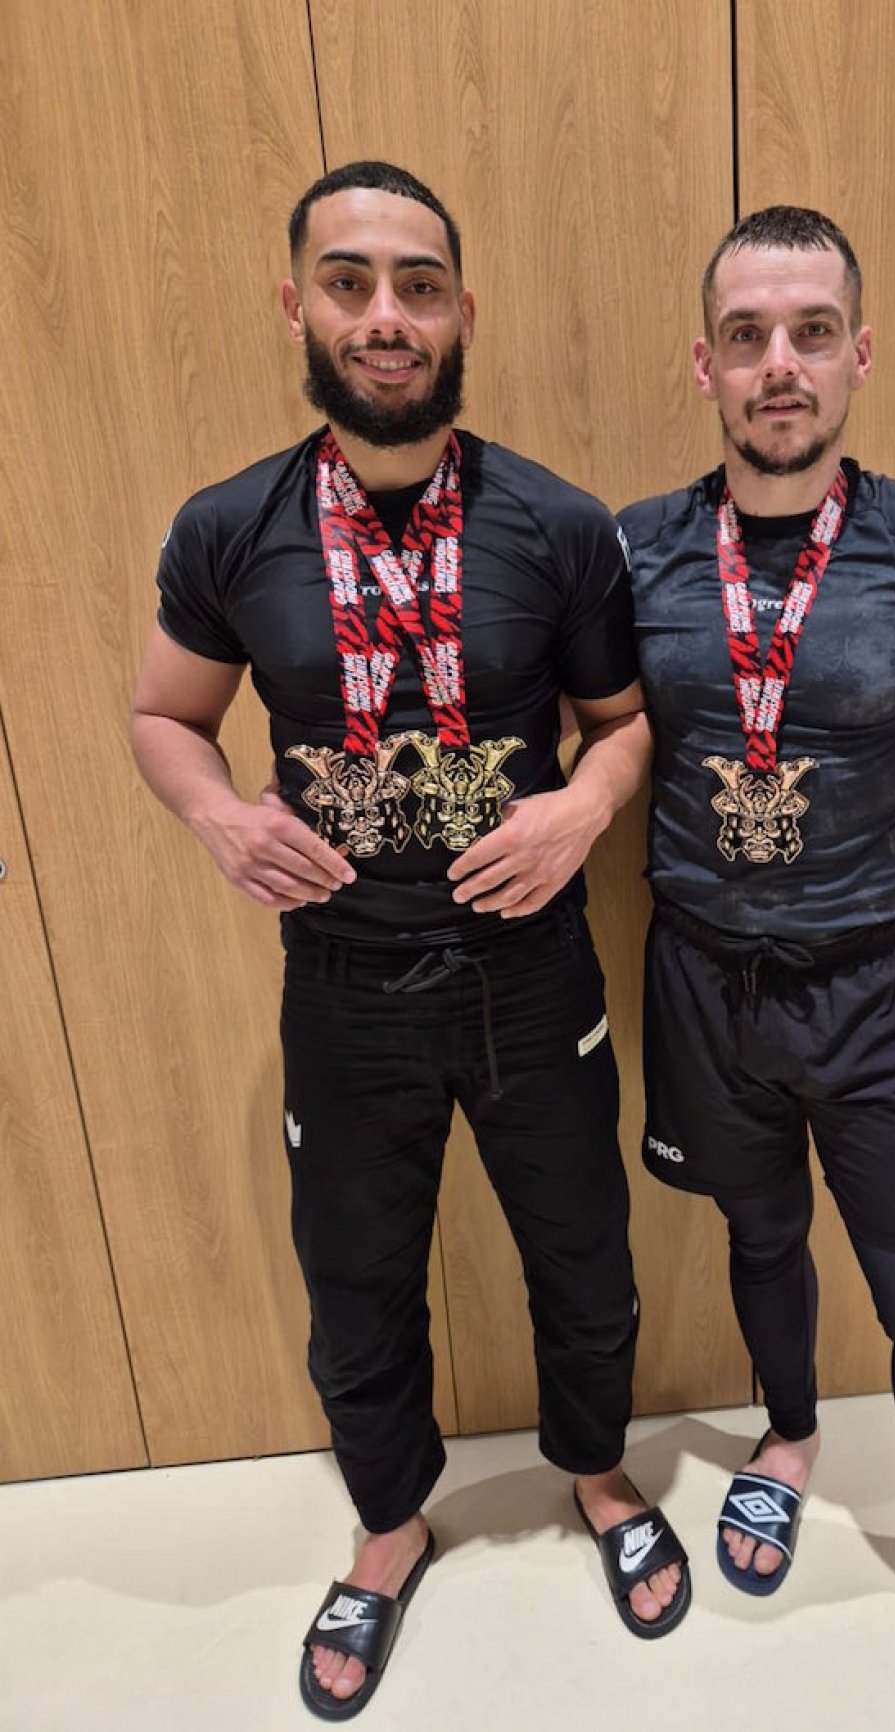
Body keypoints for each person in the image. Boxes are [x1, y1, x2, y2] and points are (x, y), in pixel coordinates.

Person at [130, 160, 689, 1720]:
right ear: (297, 305)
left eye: (419, 286)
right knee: (355, 1277)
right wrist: (218, 818)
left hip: (533, 971)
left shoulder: (558, 524)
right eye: (351, 281)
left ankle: (598, 1474)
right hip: (342, 982)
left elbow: (624, 725)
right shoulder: (227, 527)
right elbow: (164, 718)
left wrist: (585, 808)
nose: (387, 316)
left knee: (584, 1254)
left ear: (461, 313)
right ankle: (389, 1525)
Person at [619, 207, 895, 1722]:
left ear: (859, 353)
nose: (780, 365)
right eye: (746, 336)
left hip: (872, 993)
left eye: (812, 332)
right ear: (705, 365)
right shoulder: (632, 550)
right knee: (760, 1240)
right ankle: (792, 1437)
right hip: (700, 984)